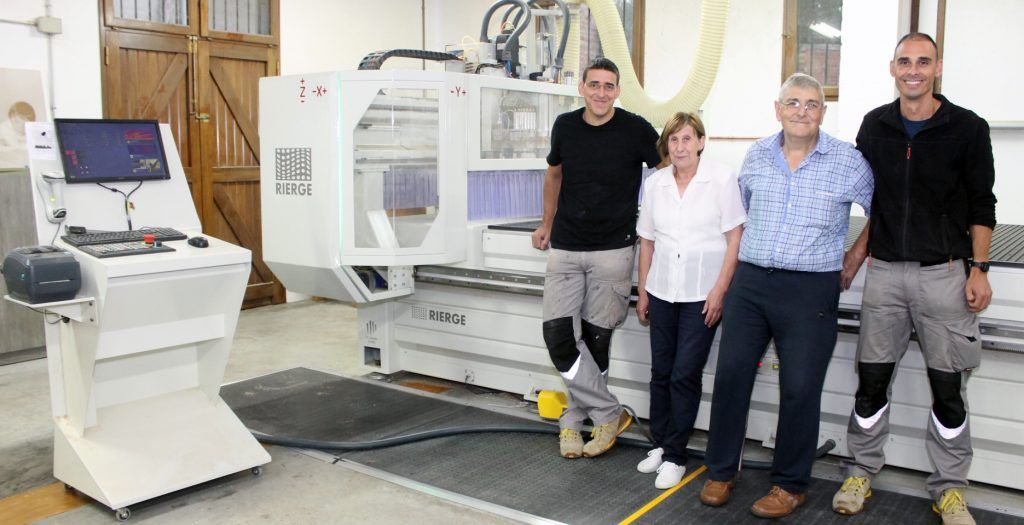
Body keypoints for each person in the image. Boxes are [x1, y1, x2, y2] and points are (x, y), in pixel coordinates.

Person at [832, 33, 995, 525]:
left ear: (937, 68)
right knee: (871, 382)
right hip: (884, 275)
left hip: (944, 275)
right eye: (905, 61)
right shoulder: (875, 125)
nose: (914, 70)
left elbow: (982, 203)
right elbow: (873, 202)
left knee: (948, 387)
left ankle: (950, 488)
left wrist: (980, 269)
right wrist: (856, 255)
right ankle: (860, 472)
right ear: (893, 68)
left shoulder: (966, 128)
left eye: (923, 62)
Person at [698, 73, 873, 518]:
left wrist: (853, 258)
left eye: (811, 104)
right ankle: (721, 470)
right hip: (752, 283)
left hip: (809, 288)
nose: (801, 112)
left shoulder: (848, 161)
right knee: (731, 376)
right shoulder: (757, 155)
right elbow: (740, 215)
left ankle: (790, 485)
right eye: (793, 103)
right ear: (777, 110)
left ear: (823, 112)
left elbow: (882, 211)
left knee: (800, 387)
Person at [532, 57, 662, 459]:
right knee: (558, 337)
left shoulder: (636, 129)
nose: (601, 92)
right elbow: (554, 175)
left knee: (596, 341)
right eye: (594, 84)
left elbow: (667, 173)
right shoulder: (565, 126)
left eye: (608, 86)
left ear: (617, 91)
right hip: (566, 246)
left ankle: (573, 422)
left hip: (614, 248)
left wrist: (659, 228)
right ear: (582, 88)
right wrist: (546, 223)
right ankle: (608, 412)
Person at [633, 112, 745, 489]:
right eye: (673, 140)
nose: (680, 147)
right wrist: (643, 290)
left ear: (700, 142)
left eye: (686, 138)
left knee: (685, 373)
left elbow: (735, 238)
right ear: (666, 146)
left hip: (702, 294)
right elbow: (647, 241)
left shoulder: (722, 180)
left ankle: (676, 456)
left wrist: (720, 290)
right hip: (662, 289)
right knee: (661, 372)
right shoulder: (656, 184)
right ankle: (661, 444)